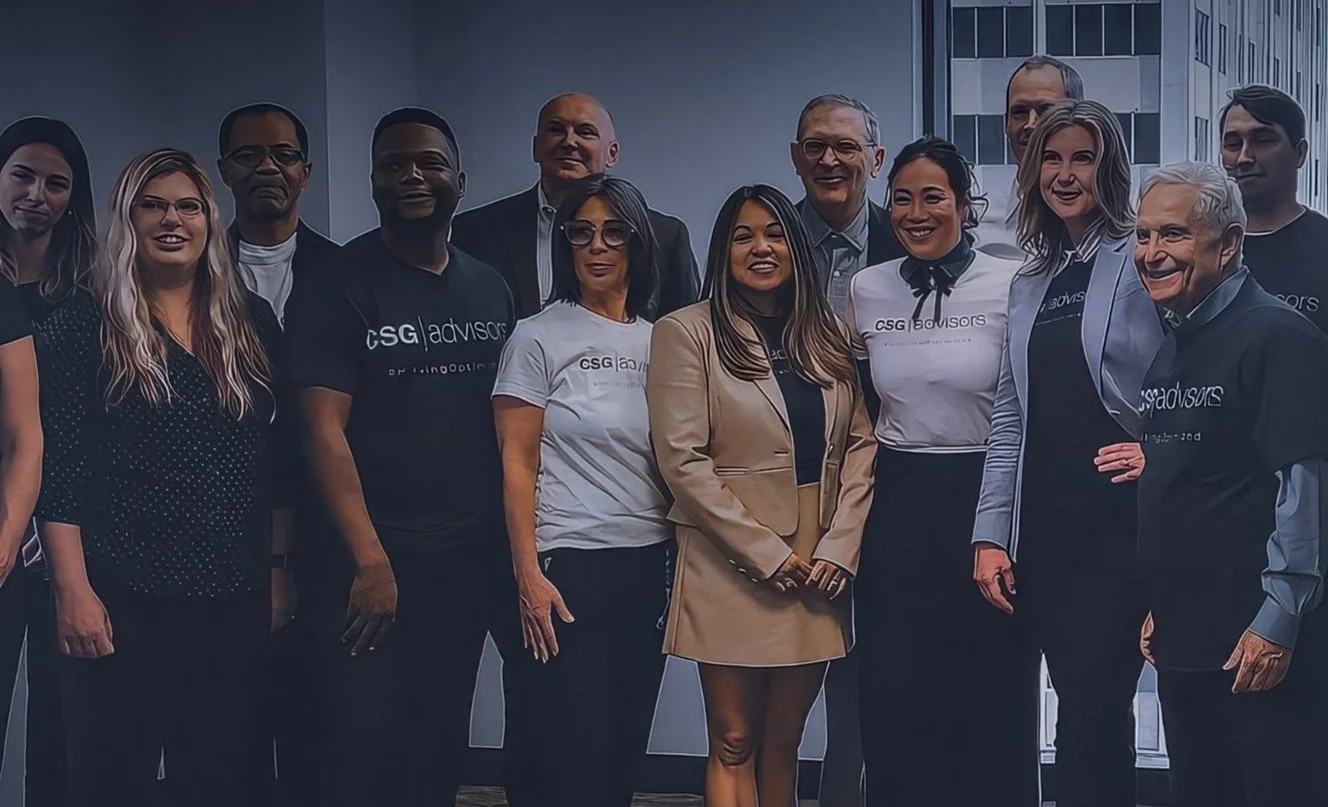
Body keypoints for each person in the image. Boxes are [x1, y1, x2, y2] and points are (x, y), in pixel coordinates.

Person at [34, 147, 289, 807]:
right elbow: (58, 469)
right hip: (120, 596)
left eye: (187, 206)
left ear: (209, 220)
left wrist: (277, 571)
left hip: (231, 594)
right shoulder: (85, 322)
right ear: (128, 219)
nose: (171, 220)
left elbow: (275, 460)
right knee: (108, 781)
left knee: (222, 779)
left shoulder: (250, 320)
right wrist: (72, 591)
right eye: (152, 206)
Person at [283, 107, 517, 807]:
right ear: (373, 182)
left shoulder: (489, 287)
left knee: (437, 739)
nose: (412, 175)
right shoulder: (336, 282)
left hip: (463, 563)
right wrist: (371, 561)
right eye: (394, 165)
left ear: (460, 181)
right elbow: (321, 431)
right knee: (358, 744)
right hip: (364, 565)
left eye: (429, 163)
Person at [646, 184, 876, 807]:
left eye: (775, 234)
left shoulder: (828, 333)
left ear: (797, 248)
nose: (761, 248)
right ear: (723, 251)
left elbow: (861, 445)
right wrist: (765, 554)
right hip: (729, 558)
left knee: (785, 740)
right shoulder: (685, 333)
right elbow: (682, 461)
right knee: (734, 739)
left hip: (818, 563)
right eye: (743, 236)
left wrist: (841, 547)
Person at [971, 99, 1164, 807]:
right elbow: (1010, 417)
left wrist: (1162, 450)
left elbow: (1195, 367)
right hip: (1044, 534)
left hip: (1116, 527)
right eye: (1050, 158)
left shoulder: (1141, 257)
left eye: (1083, 157)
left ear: (1109, 167)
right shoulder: (1030, 280)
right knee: (1072, 710)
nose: (1064, 173)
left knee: (1094, 710)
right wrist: (990, 534)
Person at [847, 136, 1039, 807]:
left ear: (964, 203)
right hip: (897, 501)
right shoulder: (866, 287)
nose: (916, 212)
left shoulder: (1014, 280)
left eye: (933, 197)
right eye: (901, 199)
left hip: (988, 493)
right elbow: (858, 400)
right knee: (897, 686)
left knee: (992, 683)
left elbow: (1029, 403)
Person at [1133, 161, 1328, 807]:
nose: (1152, 253)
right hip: (1185, 636)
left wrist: (1280, 618)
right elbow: (1189, 481)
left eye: (1173, 234)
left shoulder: (1278, 336)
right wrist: (1165, 602)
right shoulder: (1176, 341)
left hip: (1257, 644)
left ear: (1229, 243)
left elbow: (1303, 487)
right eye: (1143, 235)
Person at [493, 173, 671, 807]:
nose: (597, 246)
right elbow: (516, 463)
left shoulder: (661, 340)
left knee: (622, 746)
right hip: (567, 566)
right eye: (582, 233)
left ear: (638, 243)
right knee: (567, 751)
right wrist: (526, 576)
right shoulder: (538, 335)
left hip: (649, 564)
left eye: (614, 232)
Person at [216, 100, 342, 807]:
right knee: (229, 729)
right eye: (249, 154)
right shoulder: (190, 272)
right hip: (221, 535)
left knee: (317, 729)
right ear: (224, 170)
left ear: (306, 172)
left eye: (284, 154)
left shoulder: (347, 271)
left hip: (326, 533)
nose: (267, 166)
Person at [788, 95, 904, 805]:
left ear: (875, 159)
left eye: (846, 147)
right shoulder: (763, 239)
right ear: (795, 156)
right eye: (815, 146)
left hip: (887, 481)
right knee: (778, 668)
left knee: (874, 667)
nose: (829, 160)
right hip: (783, 483)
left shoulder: (909, 238)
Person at [0, 114, 95, 807]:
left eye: (56, 184)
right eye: (22, 176)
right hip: (3, 524)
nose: (36, 194)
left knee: (65, 730)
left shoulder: (94, 293)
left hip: (73, 532)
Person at [452, 91, 700, 320]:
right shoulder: (476, 231)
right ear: (536, 149)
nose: (569, 141)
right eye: (555, 130)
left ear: (612, 153)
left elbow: (686, 334)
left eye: (586, 132)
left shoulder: (665, 237)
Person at [1218, 85, 1328, 334]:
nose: (1244, 157)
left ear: (1300, 153)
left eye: (1263, 140)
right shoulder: (1202, 245)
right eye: (1233, 144)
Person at [971, 55, 1084, 259]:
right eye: (1019, 112)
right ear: (1006, 124)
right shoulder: (977, 232)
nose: (1031, 124)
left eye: (1046, 110)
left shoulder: (1122, 230)